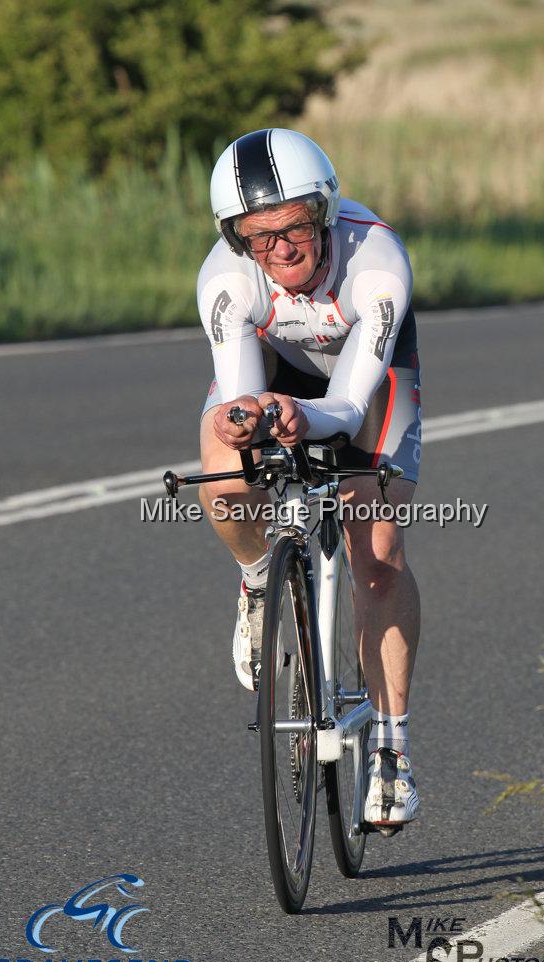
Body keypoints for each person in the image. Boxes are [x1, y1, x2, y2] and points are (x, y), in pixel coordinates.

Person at [196, 128, 421, 827]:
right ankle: (260, 577)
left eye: (295, 227)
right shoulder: (227, 281)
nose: (280, 250)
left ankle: (389, 753)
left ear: (322, 214)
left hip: (367, 378)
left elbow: (350, 406)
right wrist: (249, 422)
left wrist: (303, 416)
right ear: (236, 239)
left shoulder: (375, 264)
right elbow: (239, 395)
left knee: (376, 552)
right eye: (258, 237)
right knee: (223, 478)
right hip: (274, 374)